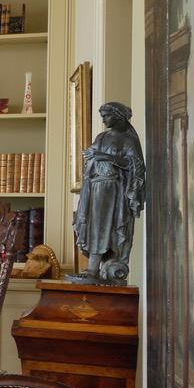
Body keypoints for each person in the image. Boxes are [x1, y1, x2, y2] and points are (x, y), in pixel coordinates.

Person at [72, 101, 146, 285]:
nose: (104, 119)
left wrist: (106, 157)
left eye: (107, 115)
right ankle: (93, 267)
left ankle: (93, 269)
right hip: (94, 187)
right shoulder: (101, 137)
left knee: (102, 226)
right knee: (90, 224)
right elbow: (91, 159)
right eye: (102, 116)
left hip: (112, 189)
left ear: (119, 116)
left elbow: (135, 165)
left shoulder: (128, 140)